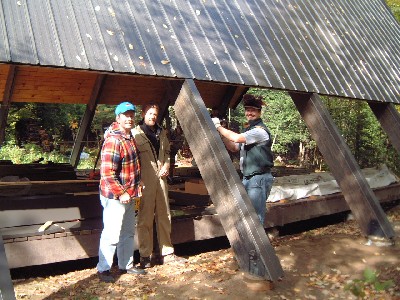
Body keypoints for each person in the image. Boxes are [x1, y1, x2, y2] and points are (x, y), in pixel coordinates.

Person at [97, 101, 146, 283]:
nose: (130, 118)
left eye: (132, 115)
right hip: (115, 196)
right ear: (117, 118)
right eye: (126, 115)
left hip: (130, 194)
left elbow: (133, 165)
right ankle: (103, 269)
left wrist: (138, 183)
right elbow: (107, 173)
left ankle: (126, 265)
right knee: (111, 233)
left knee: (127, 232)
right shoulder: (113, 140)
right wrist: (122, 192)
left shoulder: (129, 136)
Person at [132, 104, 185, 269]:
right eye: (149, 113)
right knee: (144, 218)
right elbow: (131, 160)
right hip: (145, 181)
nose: (152, 116)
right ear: (143, 114)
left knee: (164, 215)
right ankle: (145, 256)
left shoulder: (162, 133)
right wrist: (136, 180)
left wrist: (167, 164)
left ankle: (167, 253)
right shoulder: (135, 134)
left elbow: (168, 152)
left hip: (161, 179)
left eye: (155, 114)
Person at [212, 94, 274, 225]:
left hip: (258, 178)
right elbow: (234, 147)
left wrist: (218, 126)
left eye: (253, 110)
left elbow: (236, 138)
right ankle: (248, 244)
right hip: (248, 178)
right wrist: (221, 135)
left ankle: (258, 245)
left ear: (259, 112)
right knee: (243, 213)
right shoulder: (249, 130)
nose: (249, 113)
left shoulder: (259, 131)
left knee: (255, 217)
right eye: (247, 110)